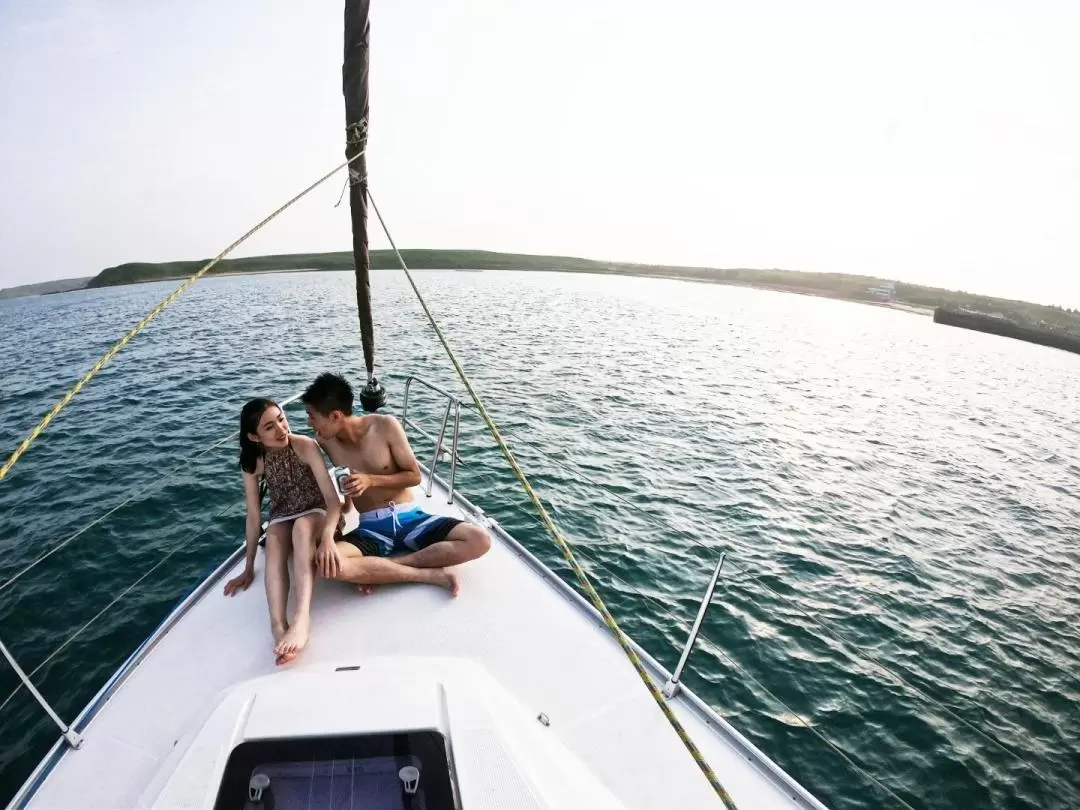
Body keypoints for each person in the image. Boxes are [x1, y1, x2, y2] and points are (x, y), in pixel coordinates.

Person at [302, 373, 491, 586]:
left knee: (479, 540)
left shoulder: (385, 426)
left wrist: (371, 480)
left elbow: (414, 475)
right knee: (326, 562)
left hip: (409, 518)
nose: (309, 423)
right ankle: (425, 575)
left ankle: (388, 567)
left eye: (312, 416)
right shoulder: (325, 441)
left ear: (335, 416)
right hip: (371, 529)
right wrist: (346, 503)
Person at [224, 398, 342, 665]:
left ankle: (301, 619)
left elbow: (333, 500)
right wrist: (248, 566)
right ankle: (278, 625)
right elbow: (254, 516)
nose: (281, 429)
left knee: (301, 528)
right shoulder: (254, 462)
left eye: (281, 418)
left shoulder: (305, 446)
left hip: (317, 510)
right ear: (255, 436)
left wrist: (326, 539)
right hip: (283, 514)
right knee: (275, 538)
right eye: (270, 426)